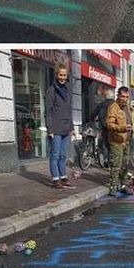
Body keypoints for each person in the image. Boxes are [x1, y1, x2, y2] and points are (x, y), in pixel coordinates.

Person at [46, 62, 74, 190]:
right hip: (56, 128)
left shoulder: (68, 90)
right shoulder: (51, 90)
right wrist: (50, 129)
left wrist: (71, 127)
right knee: (55, 155)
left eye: (64, 75)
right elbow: (48, 111)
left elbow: (69, 110)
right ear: (56, 75)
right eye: (60, 75)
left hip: (66, 128)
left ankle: (63, 177)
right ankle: (55, 179)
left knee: (63, 155)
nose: (63, 77)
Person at [105, 85, 133, 197]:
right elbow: (109, 124)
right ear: (118, 96)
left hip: (126, 141)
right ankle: (113, 187)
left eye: (126, 97)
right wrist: (122, 128)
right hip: (116, 141)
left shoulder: (127, 107)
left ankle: (124, 185)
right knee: (116, 165)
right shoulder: (113, 107)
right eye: (123, 97)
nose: (125, 99)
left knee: (124, 165)